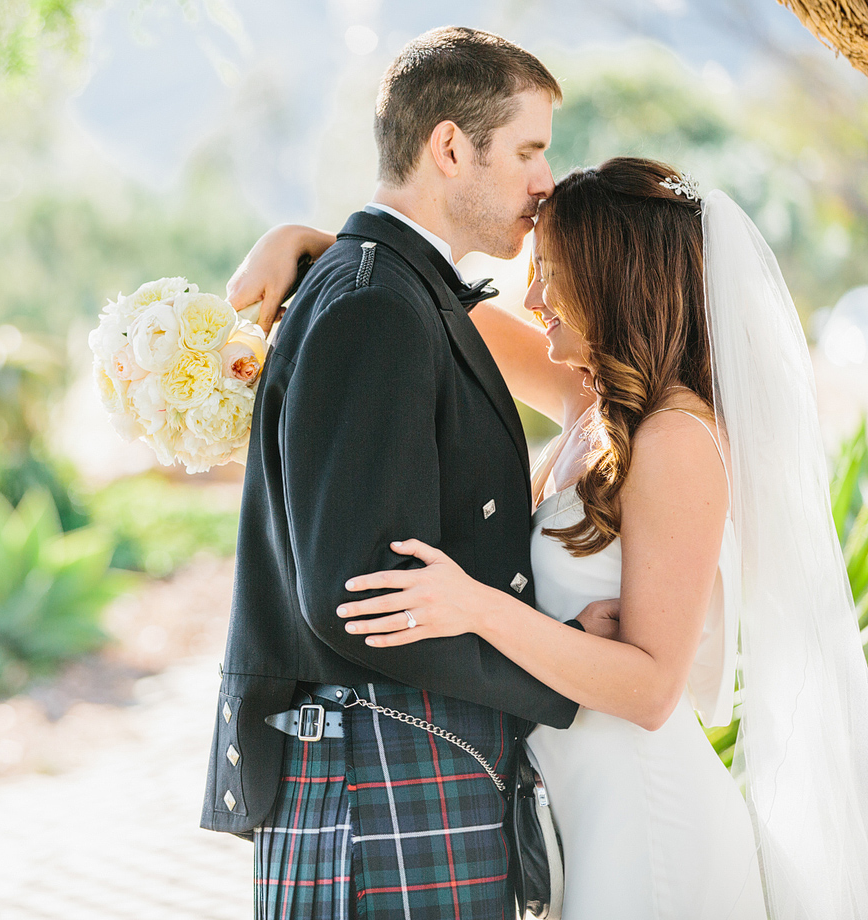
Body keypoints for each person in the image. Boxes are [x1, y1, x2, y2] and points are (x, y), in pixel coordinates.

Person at [233, 157, 868, 917]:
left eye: (554, 274)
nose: (533, 298)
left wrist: (476, 608)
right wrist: (307, 241)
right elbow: (421, 293)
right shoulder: (589, 398)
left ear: (614, 282)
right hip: (582, 815)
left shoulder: (674, 439)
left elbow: (652, 689)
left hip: (647, 825)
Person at [196, 28, 583, 919]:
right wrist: (561, 673)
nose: (543, 181)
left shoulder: (393, 287)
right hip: (383, 778)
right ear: (451, 147)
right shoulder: (377, 302)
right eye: (528, 150)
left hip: (408, 768)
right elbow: (361, 598)